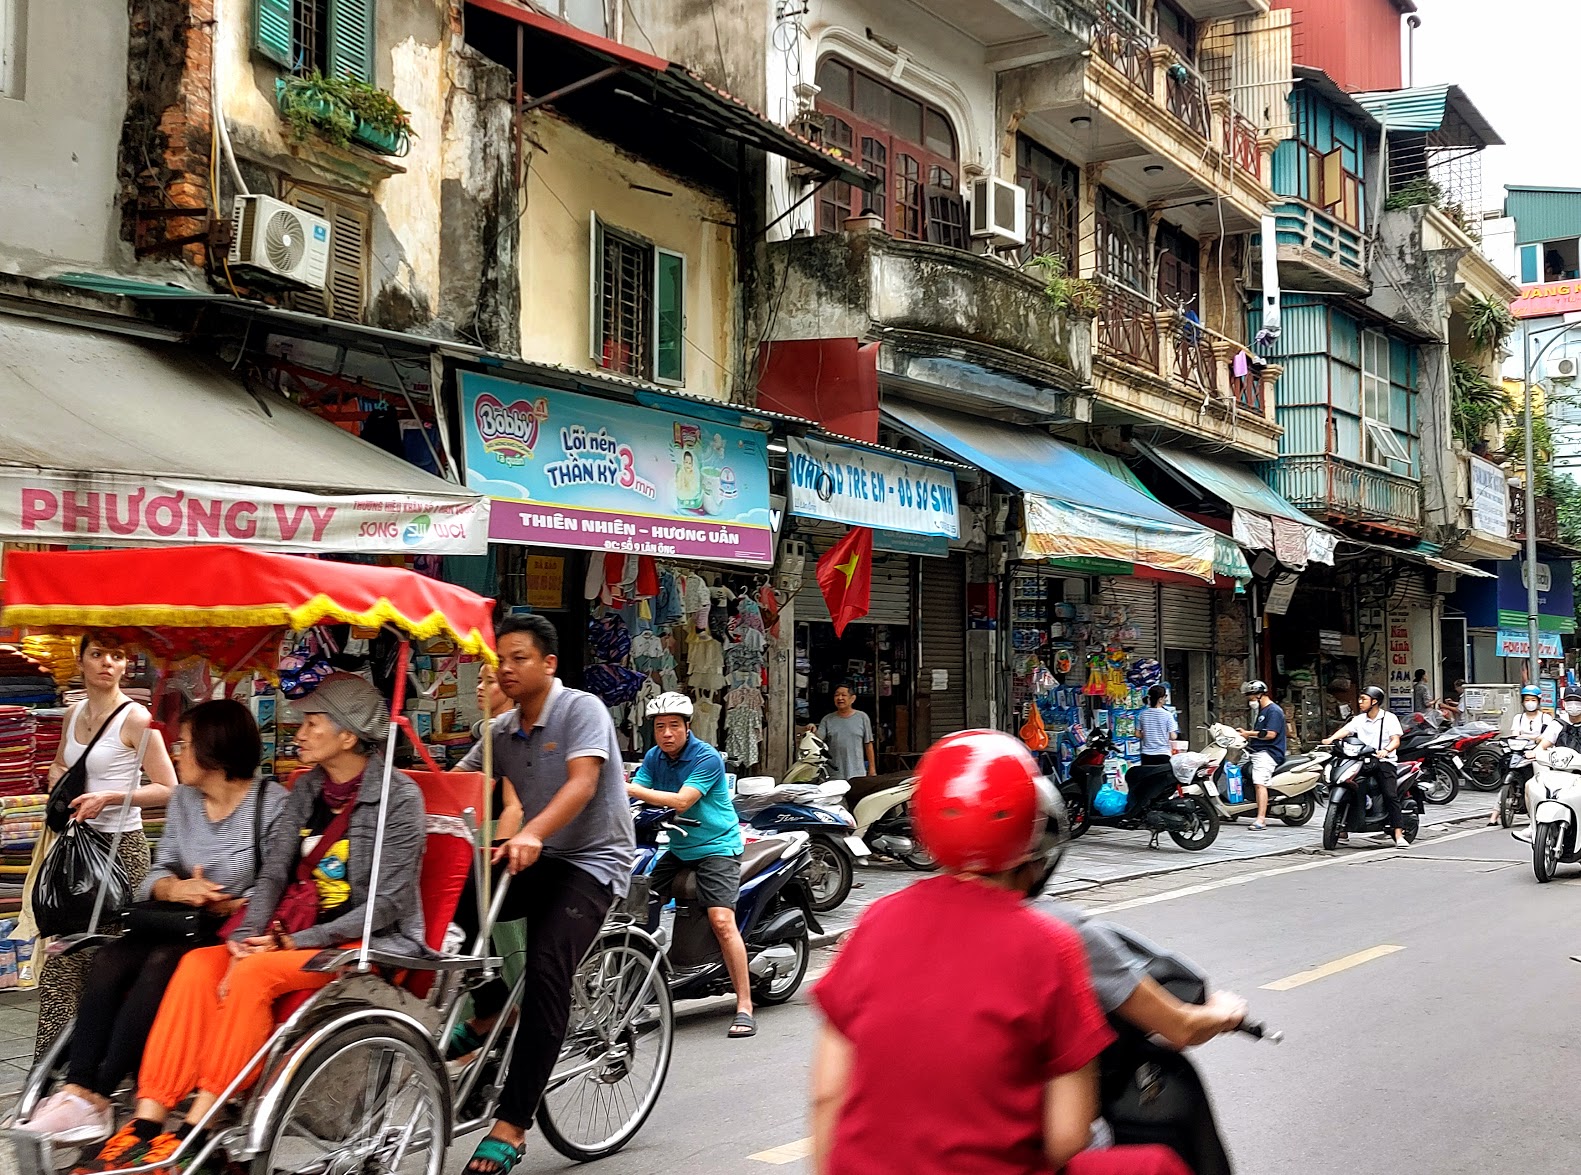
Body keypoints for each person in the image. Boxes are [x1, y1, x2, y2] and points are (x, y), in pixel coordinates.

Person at [75, 674, 429, 1173]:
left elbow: (387, 905)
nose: (298, 731)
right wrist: (245, 936)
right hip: (287, 932)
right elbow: (273, 876)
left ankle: (201, 1123)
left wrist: (289, 942)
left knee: (252, 974)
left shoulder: (400, 798)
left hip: (362, 938)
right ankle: (148, 1120)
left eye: (312, 722)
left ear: (348, 735)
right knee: (199, 965)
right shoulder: (306, 788)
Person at [810, 729, 1190, 1175]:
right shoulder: (1051, 943)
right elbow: (1068, 1133)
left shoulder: (875, 921)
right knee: (1156, 1166)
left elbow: (827, 1094)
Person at [17, 702, 286, 1148]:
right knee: (109, 958)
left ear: (215, 752)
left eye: (185, 744)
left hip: (225, 933)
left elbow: (279, 882)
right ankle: (77, 1087)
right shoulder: (183, 799)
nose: (176, 753)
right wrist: (175, 889)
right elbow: (154, 872)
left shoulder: (271, 803)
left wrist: (230, 902)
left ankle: (100, 1096)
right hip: (175, 920)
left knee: (160, 965)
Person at [451, 615, 636, 1175]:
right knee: (453, 903)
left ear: (549, 663)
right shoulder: (499, 732)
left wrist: (532, 830)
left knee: (546, 969)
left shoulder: (581, 709)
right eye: (499, 660)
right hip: (534, 857)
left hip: (591, 862)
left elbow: (582, 782)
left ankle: (512, 1122)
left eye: (518, 658)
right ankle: (488, 1010)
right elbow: (456, 787)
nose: (505, 669)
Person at [30, 633, 179, 1059]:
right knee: (63, 956)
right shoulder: (74, 713)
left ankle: (103, 1068)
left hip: (119, 851)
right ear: (81, 662)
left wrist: (110, 797)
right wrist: (59, 779)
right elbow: (63, 762)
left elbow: (169, 788)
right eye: (97, 655)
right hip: (77, 846)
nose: (107, 664)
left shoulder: (136, 719)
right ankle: (52, 1069)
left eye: (116, 656)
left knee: (106, 960)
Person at [626, 692, 755, 1037]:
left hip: (717, 846)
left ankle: (744, 1005)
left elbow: (683, 801)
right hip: (680, 848)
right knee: (634, 907)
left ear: (687, 727)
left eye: (673, 726)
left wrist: (631, 790)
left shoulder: (706, 757)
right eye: (659, 727)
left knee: (722, 920)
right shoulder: (654, 757)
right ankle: (633, 993)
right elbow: (634, 791)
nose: (666, 733)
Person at [1320, 685, 1406, 848]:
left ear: (1374, 702)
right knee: (1349, 784)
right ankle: (1343, 827)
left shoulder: (1389, 718)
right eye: (1360, 699)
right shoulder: (1359, 719)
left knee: (1389, 794)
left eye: (1363, 699)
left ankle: (1398, 833)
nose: (1360, 702)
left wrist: (1385, 750)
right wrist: (1330, 739)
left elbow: (1396, 740)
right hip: (1362, 760)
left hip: (1384, 761)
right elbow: (1346, 730)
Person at [1490, 686, 1555, 827]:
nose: (1530, 702)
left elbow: (1545, 738)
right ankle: (1494, 815)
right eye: (1527, 700)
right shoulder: (1518, 718)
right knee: (1507, 777)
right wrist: (1532, 737)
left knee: (1541, 779)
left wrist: (1529, 738)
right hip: (1519, 752)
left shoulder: (1546, 718)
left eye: (1533, 700)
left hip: (1538, 753)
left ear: (1538, 701)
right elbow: (1515, 735)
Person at [474, 663, 523, 840]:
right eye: (479, 681)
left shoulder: (511, 735)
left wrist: (495, 856)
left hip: (500, 838)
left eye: (489, 682)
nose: (480, 688)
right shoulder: (490, 734)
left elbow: (514, 808)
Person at [1237, 681, 1288, 832]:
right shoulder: (1263, 711)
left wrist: (1248, 733)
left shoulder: (1273, 711)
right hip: (1257, 751)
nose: (1249, 700)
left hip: (1269, 753)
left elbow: (1270, 734)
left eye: (1251, 697)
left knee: (1260, 783)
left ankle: (1261, 819)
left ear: (1259, 695)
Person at [816, 684, 876, 781]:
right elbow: (818, 740)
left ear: (852, 699)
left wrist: (872, 769)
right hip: (834, 773)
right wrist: (812, 730)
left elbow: (868, 744)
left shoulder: (862, 717)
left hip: (857, 773)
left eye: (843, 695)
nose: (840, 698)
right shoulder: (827, 719)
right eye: (837, 695)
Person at [1136, 686, 1176, 767]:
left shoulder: (1142, 714)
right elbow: (1173, 736)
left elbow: (1137, 734)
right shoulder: (1167, 715)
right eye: (1165, 696)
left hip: (1146, 755)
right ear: (1160, 699)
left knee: (1149, 778)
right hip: (1163, 753)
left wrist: (1148, 735)